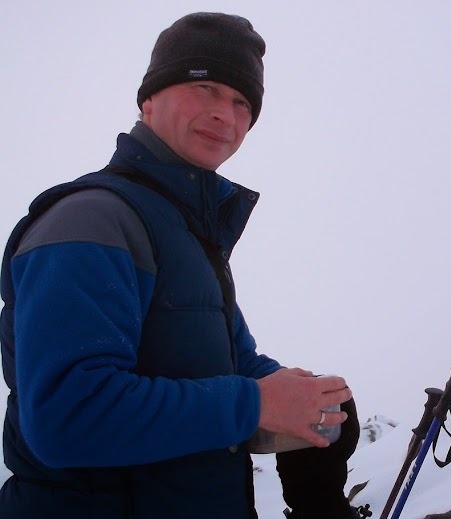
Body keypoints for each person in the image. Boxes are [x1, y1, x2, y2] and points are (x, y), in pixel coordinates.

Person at [0, 12, 365, 519]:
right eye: (205, 87)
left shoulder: (188, 236)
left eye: (242, 102)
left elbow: (232, 365)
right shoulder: (91, 220)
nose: (225, 115)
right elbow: (67, 417)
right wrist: (258, 403)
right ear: (149, 100)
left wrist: (308, 397)